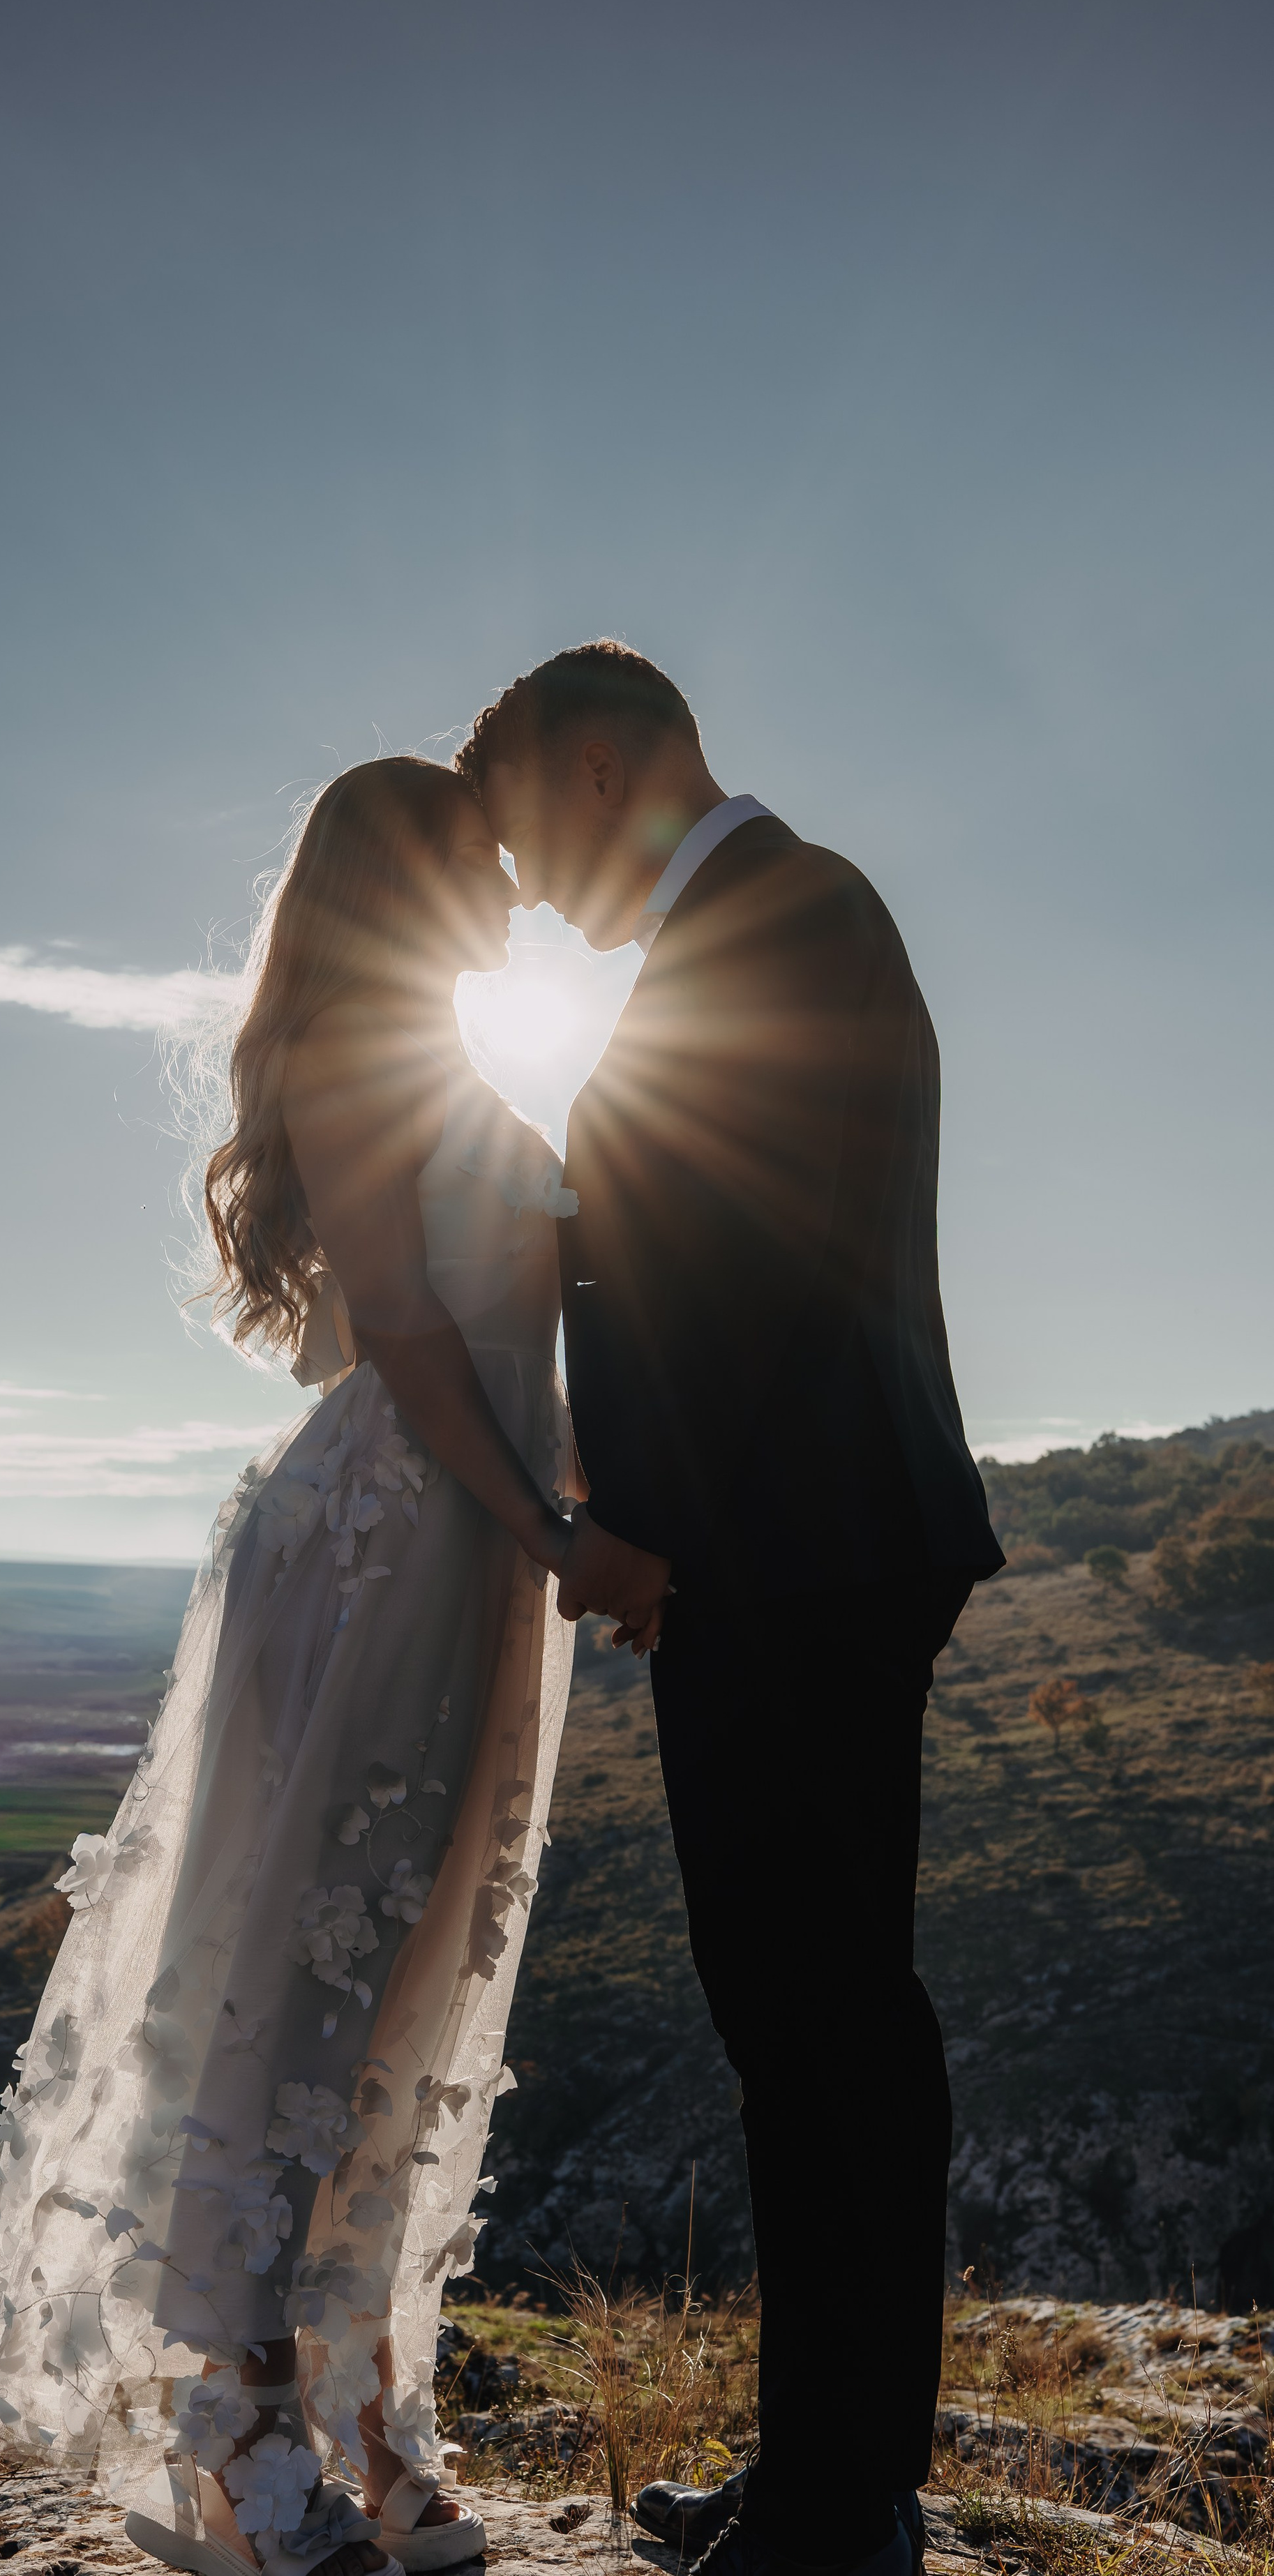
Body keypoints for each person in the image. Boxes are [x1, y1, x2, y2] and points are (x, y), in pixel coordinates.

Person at [0, 758, 583, 2576]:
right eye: (480, 861)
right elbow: (411, 1332)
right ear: (401, 877)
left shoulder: (468, 1067)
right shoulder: (364, 1048)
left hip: (476, 1558)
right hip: (389, 1540)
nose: (516, 894)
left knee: (412, 1994)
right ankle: (241, 2427)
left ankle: (364, 2404)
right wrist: (552, 1527)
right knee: (301, 1983)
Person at [458, 644, 1004, 2576]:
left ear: (600, 769)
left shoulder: (785, 921)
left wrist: (644, 1527)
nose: (523, 888)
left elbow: (761, 1270)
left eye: (525, 831)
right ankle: (830, 2479)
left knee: (823, 2025)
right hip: (812, 1544)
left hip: (797, 1553)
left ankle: (839, 2507)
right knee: (818, 2024)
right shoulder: (777, 921)